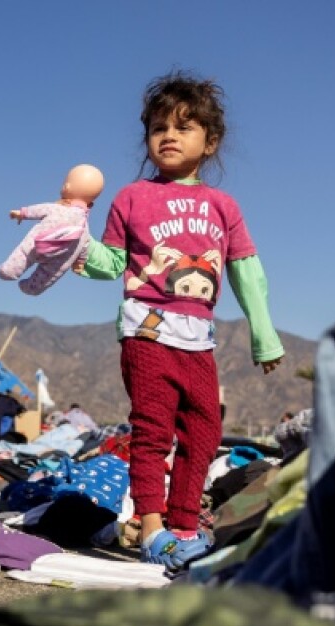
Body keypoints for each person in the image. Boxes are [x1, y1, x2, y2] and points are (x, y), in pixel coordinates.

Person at [75, 69, 284, 571]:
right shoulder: (131, 198)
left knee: (205, 430)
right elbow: (112, 263)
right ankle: (151, 529)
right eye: (158, 127)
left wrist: (264, 334)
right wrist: (75, 248)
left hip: (199, 338)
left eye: (184, 126)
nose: (169, 135)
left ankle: (184, 525)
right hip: (145, 330)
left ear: (209, 142)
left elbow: (245, 271)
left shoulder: (222, 206)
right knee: (153, 429)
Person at [0, 164, 105, 296]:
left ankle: (10, 270)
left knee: (25, 253)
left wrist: (22, 213)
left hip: (38, 243)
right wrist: (80, 262)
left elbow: (38, 210)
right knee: (48, 274)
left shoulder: (56, 209)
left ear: (67, 186)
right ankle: (31, 287)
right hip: (60, 258)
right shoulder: (84, 226)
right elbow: (85, 244)